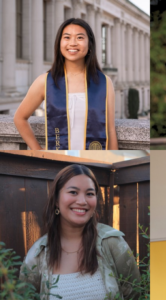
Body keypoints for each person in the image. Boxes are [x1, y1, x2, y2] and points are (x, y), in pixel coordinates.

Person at [19, 164, 140, 300]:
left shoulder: (112, 242)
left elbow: (135, 294)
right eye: (73, 192)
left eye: (89, 194)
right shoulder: (37, 254)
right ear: (57, 200)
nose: (82, 201)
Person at [14, 18, 118, 150]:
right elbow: (20, 118)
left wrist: (115, 164)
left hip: (95, 163)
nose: (73, 43)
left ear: (90, 44)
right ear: (59, 43)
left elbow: (110, 130)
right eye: (67, 37)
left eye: (80, 38)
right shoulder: (45, 81)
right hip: (58, 164)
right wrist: (39, 153)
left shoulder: (104, 83)